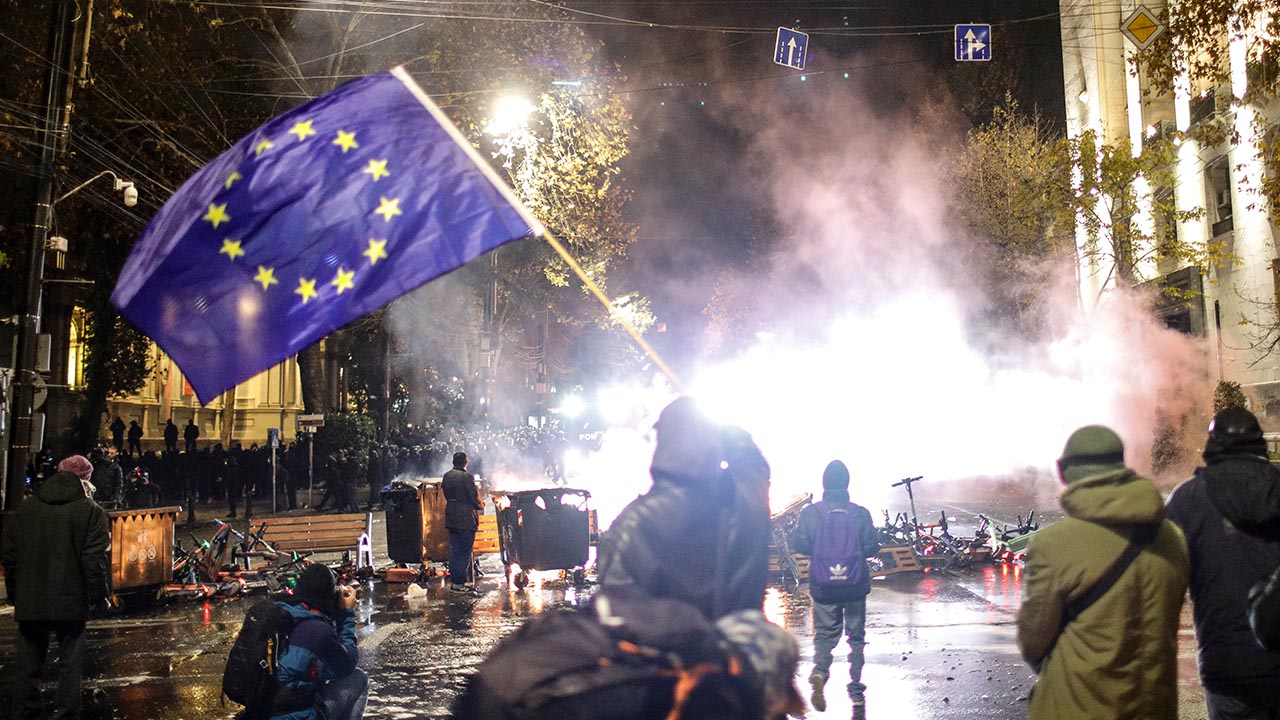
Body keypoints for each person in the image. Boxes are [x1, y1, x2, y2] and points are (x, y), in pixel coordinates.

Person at [1016, 425, 1189, 719]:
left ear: (1062, 472)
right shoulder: (1172, 538)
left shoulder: (1054, 544)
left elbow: (1033, 640)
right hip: (1154, 708)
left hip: (1079, 709)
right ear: (1121, 465)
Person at [597, 396, 772, 620]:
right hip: (739, 650)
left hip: (674, 653)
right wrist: (722, 432)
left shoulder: (634, 525)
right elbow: (752, 462)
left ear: (663, 442)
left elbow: (616, 611)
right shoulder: (747, 500)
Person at [1165, 407, 1280, 718]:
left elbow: (1162, 583)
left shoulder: (1188, 500)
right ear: (1260, 444)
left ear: (1212, 445)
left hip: (1225, 663)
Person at [1, 467, 111, 719]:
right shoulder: (90, 511)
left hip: (31, 597)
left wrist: (15, 593)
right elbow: (93, 560)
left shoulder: (27, 509)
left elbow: (9, 554)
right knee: (70, 662)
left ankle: (27, 711)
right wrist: (99, 596)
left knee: (28, 663)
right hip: (71, 598)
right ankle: (66, 711)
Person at [789, 460, 880, 715]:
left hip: (823, 585)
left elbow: (800, 544)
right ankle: (856, 691)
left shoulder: (811, 513)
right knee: (856, 638)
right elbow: (872, 547)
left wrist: (822, 553)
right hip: (854, 585)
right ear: (847, 483)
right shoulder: (859, 513)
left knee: (825, 635)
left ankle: (819, 673)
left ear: (824, 484)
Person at [272, 564, 367, 720]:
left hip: (258, 710)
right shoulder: (318, 631)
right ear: (328, 596)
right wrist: (345, 614)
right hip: (293, 715)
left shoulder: (274, 612)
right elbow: (347, 663)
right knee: (357, 679)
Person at [442, 452, 482, 593]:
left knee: (455, 550)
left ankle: (455, 581)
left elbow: (446, 493)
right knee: (464, 551)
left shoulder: (447, 476)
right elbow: (474, 497)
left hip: (451, 515)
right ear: (465, 462)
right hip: (465, 517)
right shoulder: (466, 477)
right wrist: (480, 505)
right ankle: (459, 582)